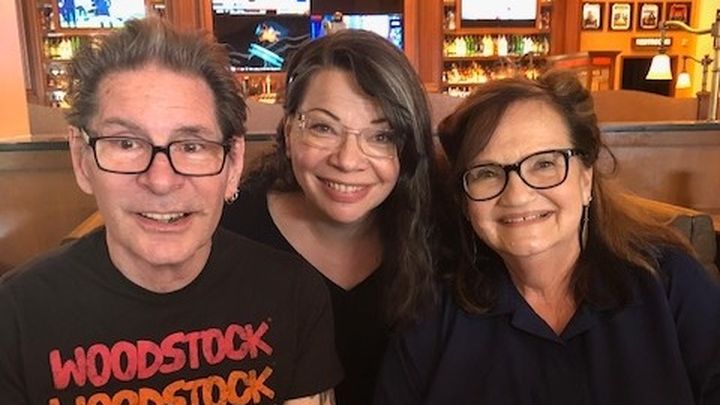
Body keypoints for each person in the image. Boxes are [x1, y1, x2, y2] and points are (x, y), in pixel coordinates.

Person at [0, 17, 341, 404]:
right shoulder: (14, 317)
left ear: (233, 164)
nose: (160, 180)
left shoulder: (293, 294)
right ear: (81, 159)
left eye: (192, 146)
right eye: (126, 143)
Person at [375, 70, 720, 404]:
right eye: (486, 173)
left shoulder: (671, 284)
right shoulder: (431, 313)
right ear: (465, 202)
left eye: (544, 164)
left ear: (586, 179)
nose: (517, 195)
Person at [221, 30, 438, 405]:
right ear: (289, 131)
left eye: (381, 136)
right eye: (323, 128)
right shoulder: (227, 234)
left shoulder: (440, 239)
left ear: (407, 149)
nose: (348, 160)